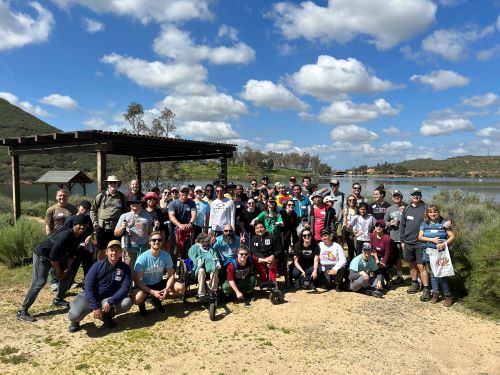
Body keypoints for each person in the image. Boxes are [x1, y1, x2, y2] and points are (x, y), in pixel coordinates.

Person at [16, 215, 88, 322]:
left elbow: (71, 254)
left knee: (69, 273)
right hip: (43, 255)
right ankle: (22, 310)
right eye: (80, 225)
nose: (82, 228)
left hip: (56, 256)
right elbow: (53, 256)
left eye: (84, 226)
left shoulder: (79, 236)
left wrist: (67, 270)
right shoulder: (66, 235)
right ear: (74, 225)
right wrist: (59, 272)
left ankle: (58, 299)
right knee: (39, 282)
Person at [67, 240, 132, 332]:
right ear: (106, 252)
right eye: (111, 250)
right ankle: (75, 321)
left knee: (126, 302)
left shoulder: (125, 268)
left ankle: (106, 315)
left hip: (107, 299)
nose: (114, 253)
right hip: (90, 297)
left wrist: (110, 301)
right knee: (74, 315)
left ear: (121, 253)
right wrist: (95, 306)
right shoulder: (97, 266)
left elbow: (125, 288)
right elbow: (88, 287)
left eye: (117, 250)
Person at [132, 232, 185, 316]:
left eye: (159, 240)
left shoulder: (166, 256)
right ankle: (142, 305)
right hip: (145, 285)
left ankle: (156, 300)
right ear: (149, 242)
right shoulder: (142, 258)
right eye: (154, 240)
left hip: (159, 282)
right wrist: (152, 292)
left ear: (162, 242)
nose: (157, 242)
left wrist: (167, 289)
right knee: (138, 298)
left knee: (180, 288)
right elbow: (137, 281)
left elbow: (171, 275)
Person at [418, 205, 455, 307]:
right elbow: (420, 237)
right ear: (427, 213)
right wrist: (431, 240)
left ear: (438, 212)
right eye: (430, 212)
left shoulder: (444, 223)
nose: (432, 214)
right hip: (429, 251)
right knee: (433, 273)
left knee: (442, 273)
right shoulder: (424, 224)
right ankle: (435, 294)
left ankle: (448, 296)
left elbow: (452, 236)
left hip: (441, 252)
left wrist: (445, 243)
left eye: (435, 212)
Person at [400, 188, 431, 300]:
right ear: (411, 196)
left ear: (420, 197)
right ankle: (414, 284)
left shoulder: (425, 208)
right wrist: (402, 240)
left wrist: (447, 222)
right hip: (408, 242)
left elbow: (434, 217)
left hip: (420, 243)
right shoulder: (407, 208)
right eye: (413, 195)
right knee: (412, 264)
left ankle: (426, 289)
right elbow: (402, 225)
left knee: (421, 266)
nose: (415, 196)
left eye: (418, 195)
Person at [45, 189, 77, 290]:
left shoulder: (73, 208)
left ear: (67, 196)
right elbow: (47, 225)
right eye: (60, 195)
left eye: (64, 195)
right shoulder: (51, 209)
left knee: (69, 259)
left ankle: (69, 280)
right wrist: (50, 237)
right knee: (54, 258)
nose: (62, 197)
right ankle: (54, 281)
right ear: (56, 197)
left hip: (70, 238)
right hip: (56, 238)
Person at [90, 175, 127, 260]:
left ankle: (115, 268)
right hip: (102, 228)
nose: (113, 184)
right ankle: (101, 267)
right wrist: (95, 224)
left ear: (118, 184)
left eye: (115, 182)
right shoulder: (101, 196)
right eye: (111, 182)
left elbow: (126, 212)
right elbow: (93, 210)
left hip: (116, 228)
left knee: (116, 249)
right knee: (101, 250)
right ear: (107, 184)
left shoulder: (122, 197)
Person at [114, 194, 153, 272]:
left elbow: (151, 232)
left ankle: (140, 283)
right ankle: (130, 283)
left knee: (143, 268)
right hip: (129, 247)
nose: (135, 204)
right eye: (132, 203)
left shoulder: (147, 216)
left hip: (144, 247)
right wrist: (122, 227)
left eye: (137, 202)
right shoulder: (124, 216)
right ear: (129, 204)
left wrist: (155, 228)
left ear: (141, 204)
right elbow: (116, 233)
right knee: (129, 268)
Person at [65, 200, 94, 288]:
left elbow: (92, 231)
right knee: (72, 268)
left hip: (86, 248)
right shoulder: (71, 219)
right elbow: (66, 233)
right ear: (79, 207)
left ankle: (86, 287)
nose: (85, 210)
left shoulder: (88, 219)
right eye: (83, 208)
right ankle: (65, 286)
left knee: (88, 268)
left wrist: (90, 237)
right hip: (74, 249)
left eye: (87, 209)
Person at [188, 233, 221, 300]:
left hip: (210, 266)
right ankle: (201, 293)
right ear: (201, 241)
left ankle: (212, 290)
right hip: (199, 267)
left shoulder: (210, 247)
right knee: (201, 271)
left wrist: (216, 260)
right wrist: (203, 259)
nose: (208, 241)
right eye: (207, 240)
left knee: (215, 269)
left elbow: (215, 255)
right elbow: (195, 259)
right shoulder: (194, 248)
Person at [248, 221, 282, 286]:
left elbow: (279, 249)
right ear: (255, 230)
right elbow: (253, 251)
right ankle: (264, 282)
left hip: (271, 257)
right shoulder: (253, 238)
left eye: (261, 227)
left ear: (265, 228)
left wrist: (272, 256)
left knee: (272, 262)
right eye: (257, 228)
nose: (260, 229)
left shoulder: (272, 237)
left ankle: (272, 282)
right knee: (258, 262)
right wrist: (264, 259)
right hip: (260, 259)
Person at [168, 185, 197, 259]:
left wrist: (190, 223)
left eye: (186, 191)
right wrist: (179, 225)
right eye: (182, 191)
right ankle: (174, 268)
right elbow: (171, 216)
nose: (184, 193)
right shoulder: (173, 203)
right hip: (176, 232)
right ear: (179, 192)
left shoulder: (192, 203)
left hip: (188, 231)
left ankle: (187, 268)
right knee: (175, 251)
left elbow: (194, 214)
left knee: (188, 251)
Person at [384, 189, 406, 285]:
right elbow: (384, 223)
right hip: (394, 237)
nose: (396, 197)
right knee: (396, 258)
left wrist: (404, 212)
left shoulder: (407, 207)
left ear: (401, 197)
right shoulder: (389, 209)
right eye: (395, 196)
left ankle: (417, 279)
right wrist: (390, 223)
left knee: (411, 258)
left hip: (406, 238)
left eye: (398, 195)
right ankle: (400, 276)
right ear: (392, 198)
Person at [369, 220, 394, 287]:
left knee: (383, 267)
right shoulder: (372, 236)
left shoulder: (387, 238)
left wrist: (383, 262)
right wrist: (376, 259)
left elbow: (388, 252)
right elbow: (373, 248)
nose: (378, 228)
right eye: (377, 226)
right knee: (375, 265)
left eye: (381, 226)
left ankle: (388, 280)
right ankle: (377, 279)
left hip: (387, 256)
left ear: (384, 228)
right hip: (377, 254)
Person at [342, 194, 358, 262]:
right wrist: (344, 231)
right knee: (350, 248)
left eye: (353, 200)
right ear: (347, 201)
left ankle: (358, 262)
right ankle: (350, 262)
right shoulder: (346, 210)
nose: (352, 201)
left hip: (357, 231)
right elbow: (344, 221)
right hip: (348, 231)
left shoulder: (358, 209)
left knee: (357, 248)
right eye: (350, 200)